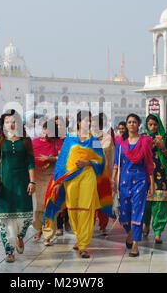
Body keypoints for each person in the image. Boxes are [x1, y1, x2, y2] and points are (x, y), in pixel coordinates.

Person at [43, 111, 114, 259]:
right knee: (73, 209)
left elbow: (101, 161)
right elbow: (62, 161)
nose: (89, 124)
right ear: (79, 122)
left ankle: (83, 245)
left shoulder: (94, 140)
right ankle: (78, 236)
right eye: (86, 121)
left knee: (86, 209)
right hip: (71, 179)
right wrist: (58, 181)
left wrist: (88, 162)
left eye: (90, 121)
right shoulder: (70, 138)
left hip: (88, 176)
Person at [0, 110, 36, 263]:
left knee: (26, 219)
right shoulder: (0, 140)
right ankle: (9, 251)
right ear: (4, 124)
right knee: (4, 220)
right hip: (5, 185)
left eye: (14, 121)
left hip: (22, 184)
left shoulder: (25, 140)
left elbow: (31, 162)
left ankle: (20, 237)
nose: (11, 124)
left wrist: (32, 181)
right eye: (7, 121)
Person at [111, 113, 155, 257]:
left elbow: (149, 163)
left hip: (140, 181)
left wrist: (152, 183)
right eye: (129, 122)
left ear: (138, 124)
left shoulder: (145, 141)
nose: (131, 124)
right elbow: (116, 163)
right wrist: (113, 178)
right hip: (124, 182)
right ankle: (129, 231)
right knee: (124, 213)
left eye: (134, 122)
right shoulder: (120, 142)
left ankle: (136, 244)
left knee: (138, 210)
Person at [31, 120, 63, 243]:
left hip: (50, 177)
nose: (46, 132)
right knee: (37, 206)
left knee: (49, 205)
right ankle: (39, 228)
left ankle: (47, 234)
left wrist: (49, 158)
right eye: (45, 129)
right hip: (37, 177)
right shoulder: (34, 142)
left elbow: (62, 158)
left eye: (49, 131)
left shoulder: (58, 143)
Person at [142, 114, 167, 244]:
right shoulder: (143, 138)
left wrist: (162, 147)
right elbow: (140, 155)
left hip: (161, 174)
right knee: (146, 203)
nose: (153, 127)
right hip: (145, 175)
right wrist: (150, 145)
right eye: (150, 124)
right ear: (147, 125)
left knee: (160, 203)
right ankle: (146, 224)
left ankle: (158, 232)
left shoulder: (164, 137)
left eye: (155, 124)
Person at [92, 113, 116, 236]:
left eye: (97, 126)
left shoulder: (107, 138)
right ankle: (89, 226)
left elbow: (111, 158)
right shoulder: (87, 138)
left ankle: (103, 225)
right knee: (90, 201)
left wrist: (112, 177)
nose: (94, 128)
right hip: (90, 175)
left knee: (103, 201)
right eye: (92, 125)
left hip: (104, 175)